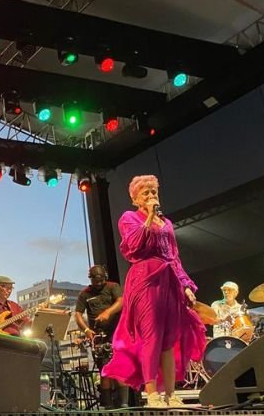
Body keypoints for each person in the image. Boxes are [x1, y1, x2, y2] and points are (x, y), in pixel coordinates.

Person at [101, 175, 206, 408]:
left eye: (153, 192)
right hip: (145, 279)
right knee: (152, 336)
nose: (151, 196)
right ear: (136, 199)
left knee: (168, 340)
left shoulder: (166, 223)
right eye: (145, 193)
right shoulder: (129, 218)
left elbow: (173, 257)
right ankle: (152, 394)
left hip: (169, 280)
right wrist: (149, 216)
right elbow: (134, 244)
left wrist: (186, 285)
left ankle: (171, 394)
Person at [74, 265, 128, 409]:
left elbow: (121, 301)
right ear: (91, 279)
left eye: (100, 280)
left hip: (117, 334)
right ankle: (108, 406)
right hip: (99, 336)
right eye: (95, 281)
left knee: (120, 368)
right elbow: (78, 314)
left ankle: (124, 404)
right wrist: (86, 329)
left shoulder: (113, 286)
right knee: (105, 371)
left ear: (104, 277)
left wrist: (108, 312)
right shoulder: (84, 293)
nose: (98, 284)